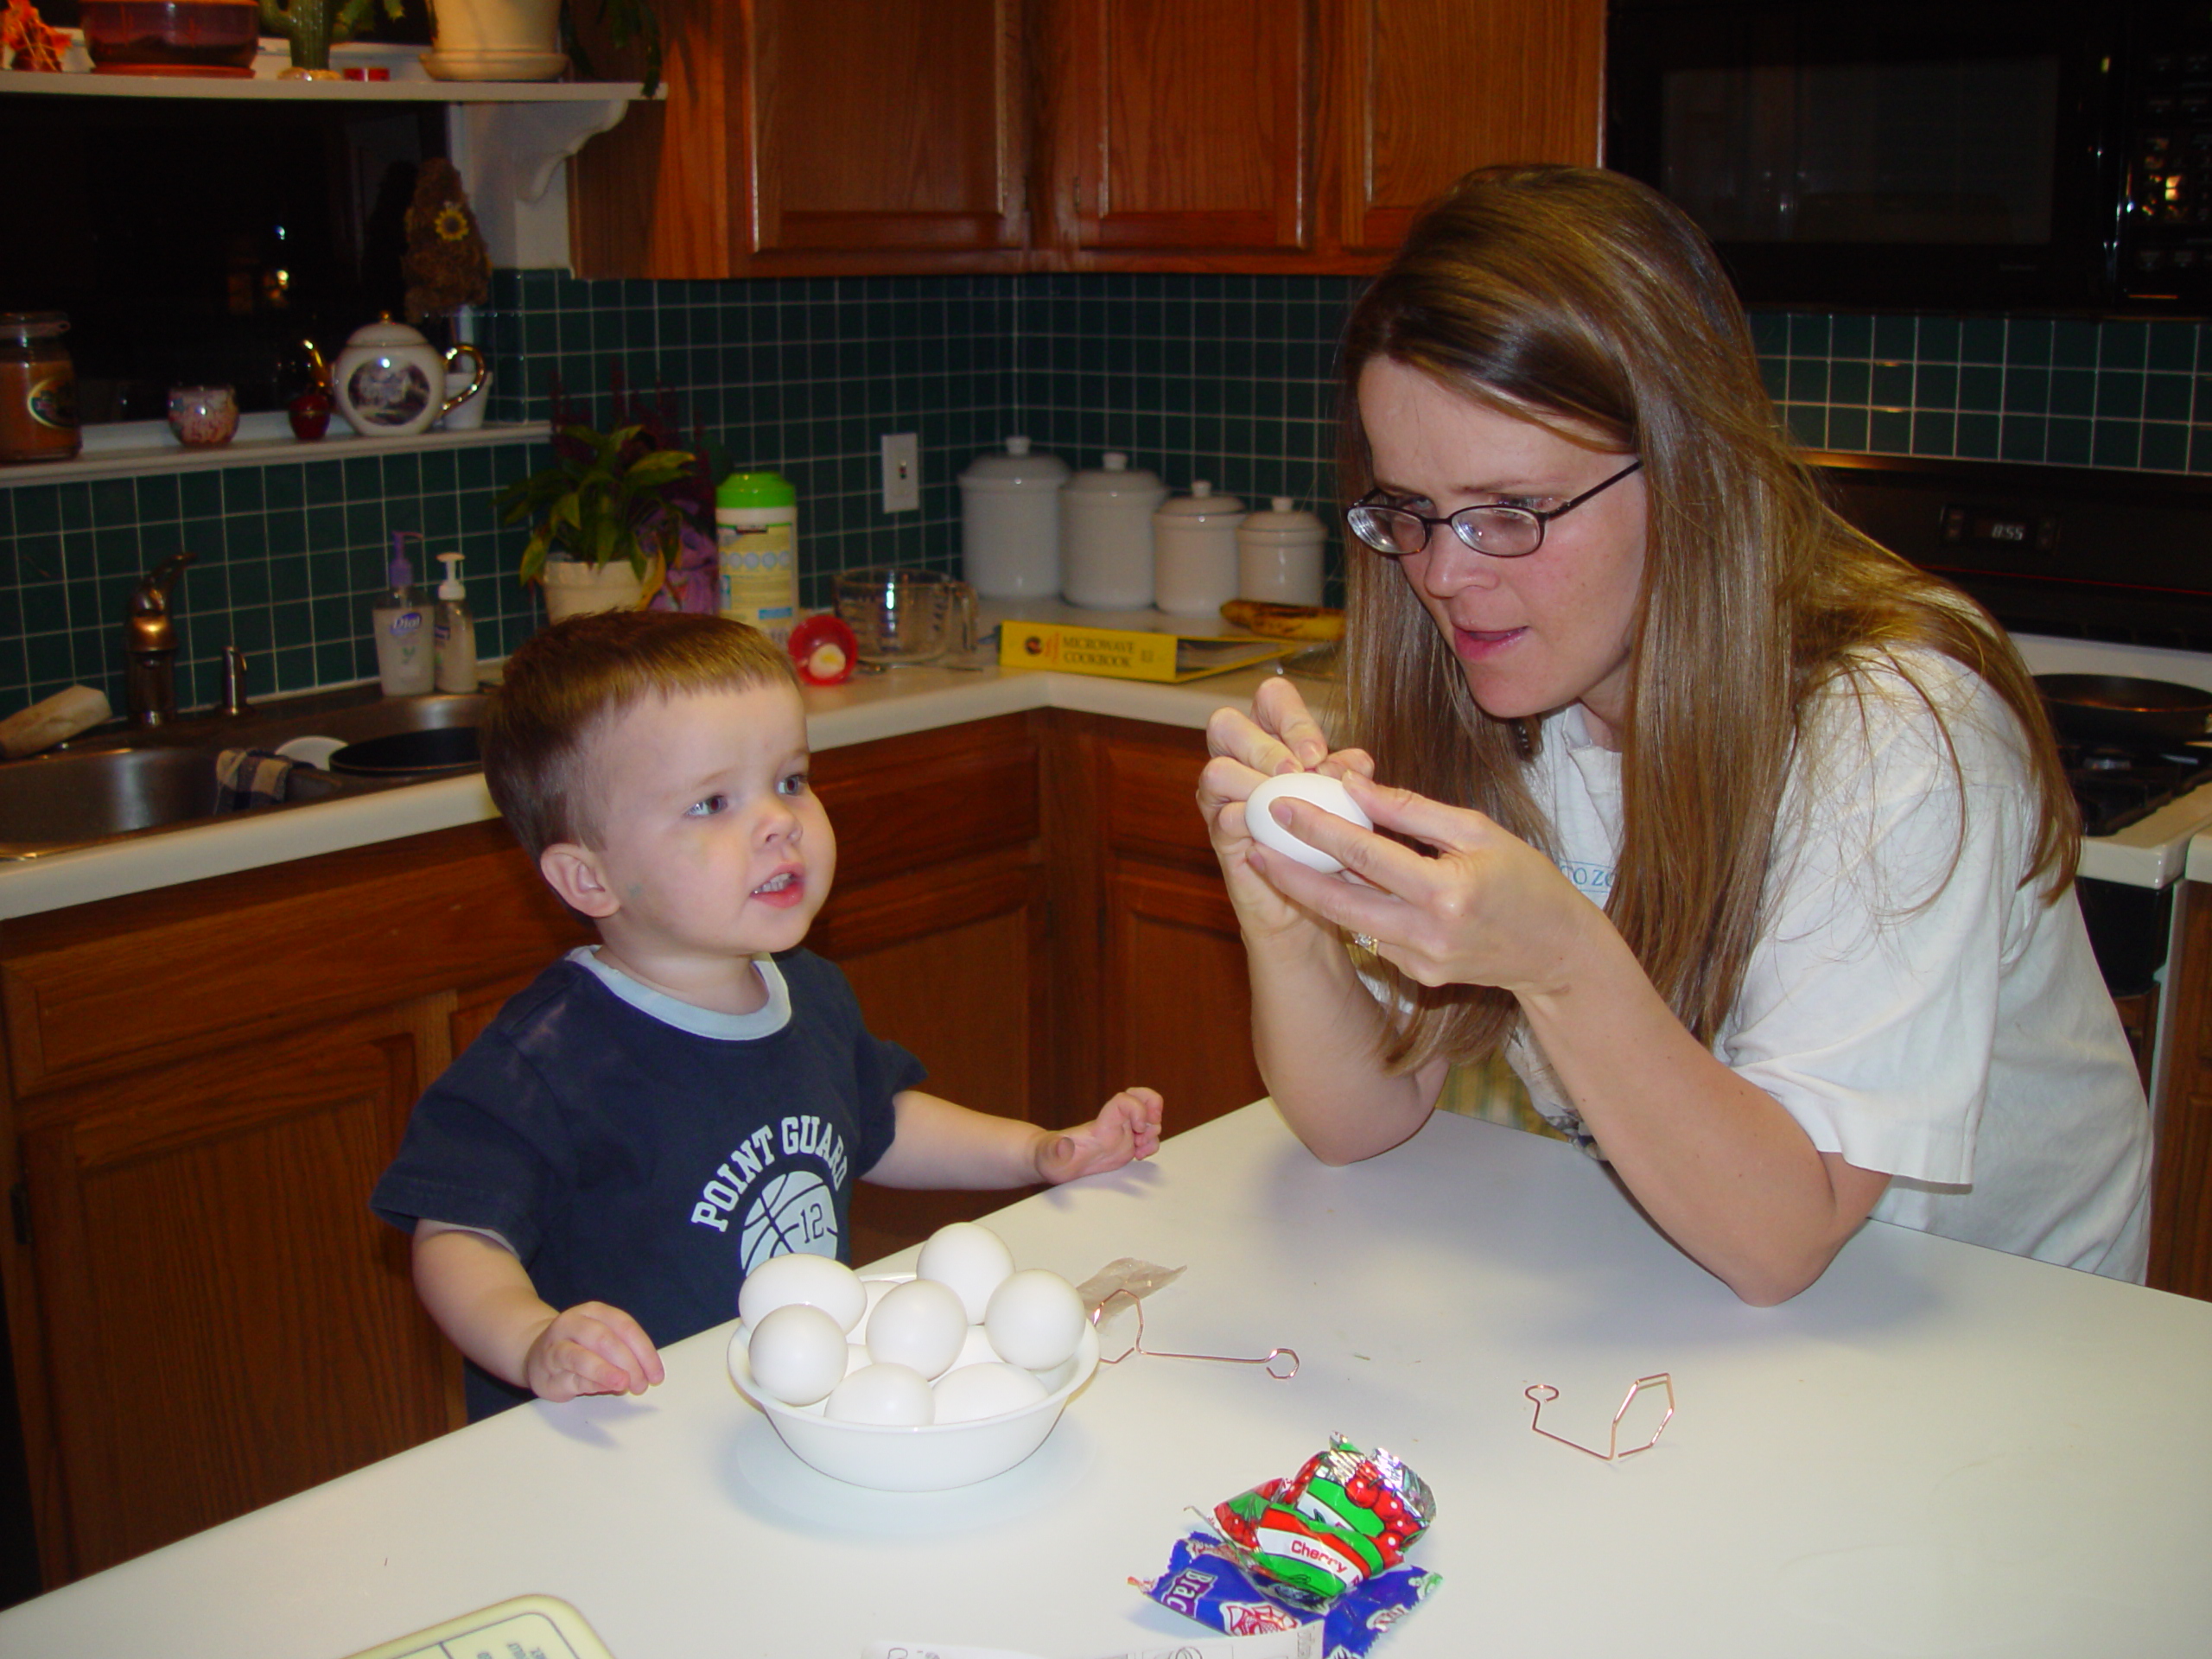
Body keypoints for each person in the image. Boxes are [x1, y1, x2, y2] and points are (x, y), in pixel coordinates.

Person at [1199, 164, 2151, 1306]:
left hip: (2004, 1333)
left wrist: (1557, 959)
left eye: (1513, 512)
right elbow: (1364, 1119)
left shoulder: (1893, 734)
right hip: (1699, 1278)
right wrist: (1293, 917)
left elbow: (1783, 1238)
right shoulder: (1503, 689)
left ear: (1689, 472)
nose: (1445, 576)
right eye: (1410, 511)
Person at [374, 610, 1162, 1416]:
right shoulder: (543, 1060)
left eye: (789, 781)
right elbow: (457, 1235)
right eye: (712, 803)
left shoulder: (807, 990)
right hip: (622, 1436)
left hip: (786, 1411)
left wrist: (1037, 1154)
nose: (779, 821)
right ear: (588, 879)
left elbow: (877, 1121)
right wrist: (534, 1339)